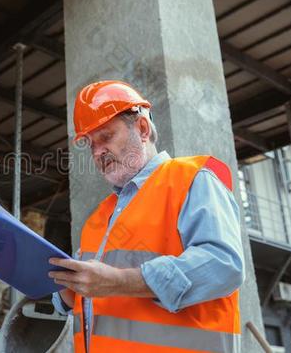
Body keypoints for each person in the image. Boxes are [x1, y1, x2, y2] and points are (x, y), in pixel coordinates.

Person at [48, 80, 244, 353]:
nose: (97, 152)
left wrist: (119, 282)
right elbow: (98, 302)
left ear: (141, 128)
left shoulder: (192, 179)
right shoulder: (99, 219)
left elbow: (224, 266)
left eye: (105, 136)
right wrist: (69, 288)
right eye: (90, 144)